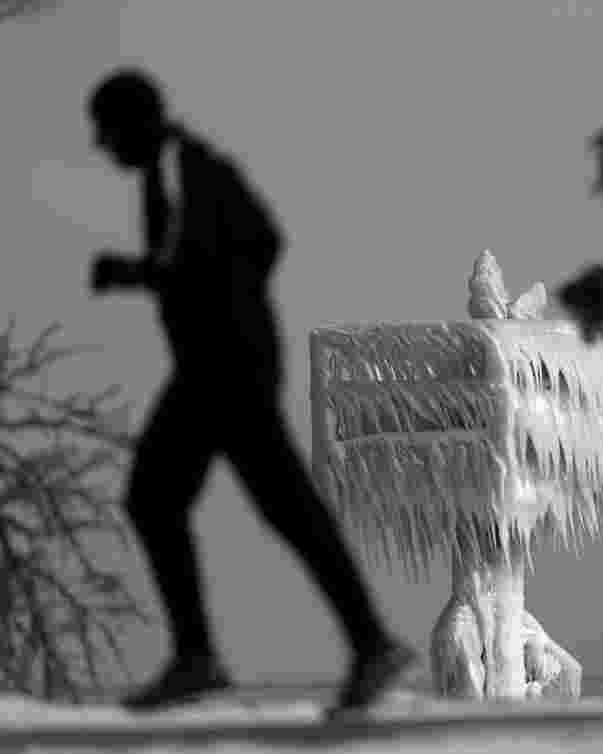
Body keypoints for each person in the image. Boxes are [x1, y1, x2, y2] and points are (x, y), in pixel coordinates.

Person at [86, 68, 417, 713]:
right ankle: (359, 641)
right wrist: (222, 294)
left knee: (160, 497)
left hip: (222, 367)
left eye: (106, 131)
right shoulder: (184, 167)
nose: (103, 147)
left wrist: (131, 273)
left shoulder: (179, 167)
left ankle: (204, 657)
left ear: (136, 122)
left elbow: (210, 253)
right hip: (228, 363)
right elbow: (259, 241)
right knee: (261, 503)